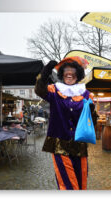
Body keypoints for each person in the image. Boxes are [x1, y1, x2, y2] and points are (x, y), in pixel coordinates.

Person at [34, 58, 97, 190]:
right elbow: (39, 90)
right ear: (62, 74)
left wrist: (92, 113)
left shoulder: (86, 95)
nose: (69, 74)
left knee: (81, 181)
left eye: (73, 72)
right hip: (59, 144)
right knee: (67, 183)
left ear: (78, 75)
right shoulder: (55, 91)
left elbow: (92, 122)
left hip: (80, 145)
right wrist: (46, 71)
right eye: (66, 72)